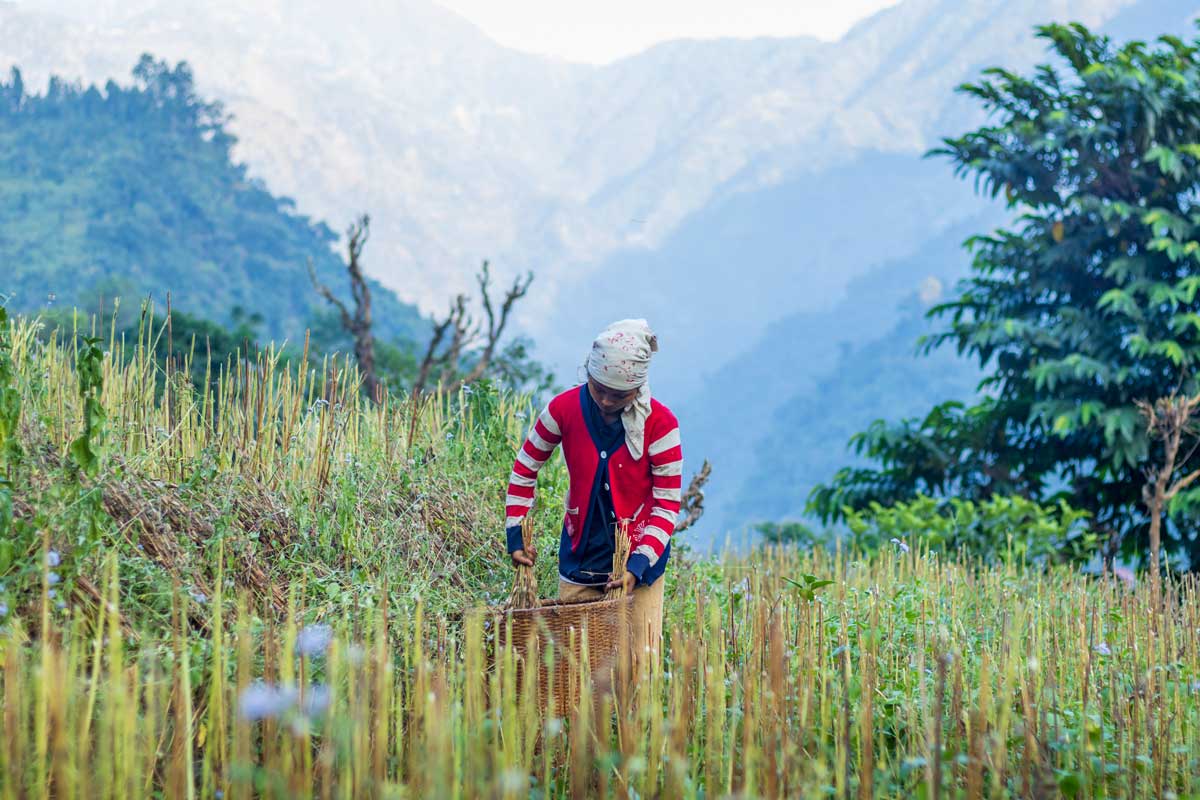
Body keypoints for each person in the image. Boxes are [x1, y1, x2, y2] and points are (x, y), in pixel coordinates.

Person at [503, 319, 682, 673]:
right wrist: (516, 532)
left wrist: (638, 565)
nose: (604, 400)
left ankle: (632, 727)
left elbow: (667, 504)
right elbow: (525, 467)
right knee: (576, 667)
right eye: (598, 388)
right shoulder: (563, 409)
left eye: (617, 395)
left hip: (638, 560)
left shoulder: (661, 425)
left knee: (637, 664)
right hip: (581, 555)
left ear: (637, 389)